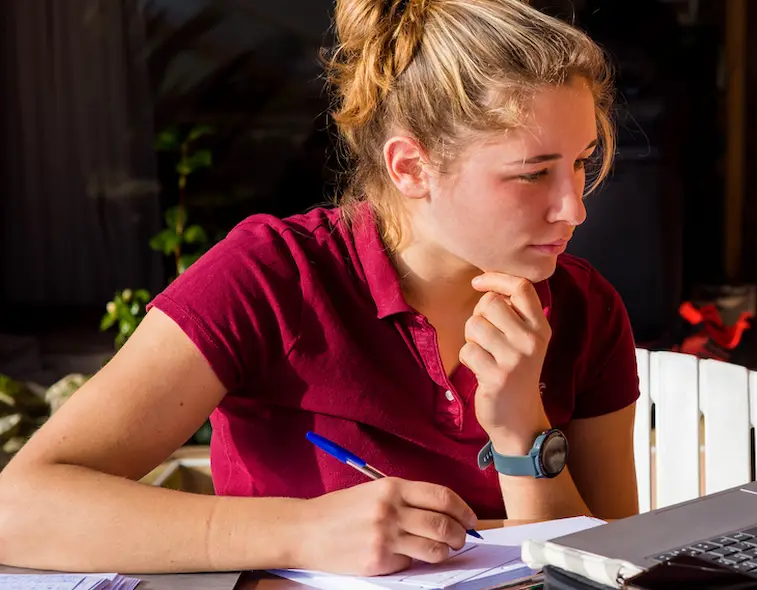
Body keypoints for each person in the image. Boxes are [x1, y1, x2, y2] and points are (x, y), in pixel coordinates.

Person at [0, 0, 640, 577]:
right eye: (533, 173)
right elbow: (19, 508)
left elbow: (616, 565)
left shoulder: (586, 309)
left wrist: (520, 434)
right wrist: (303, 531)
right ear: (410, 167)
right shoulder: (272, 277)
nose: (573, 209)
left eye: (582, 162)